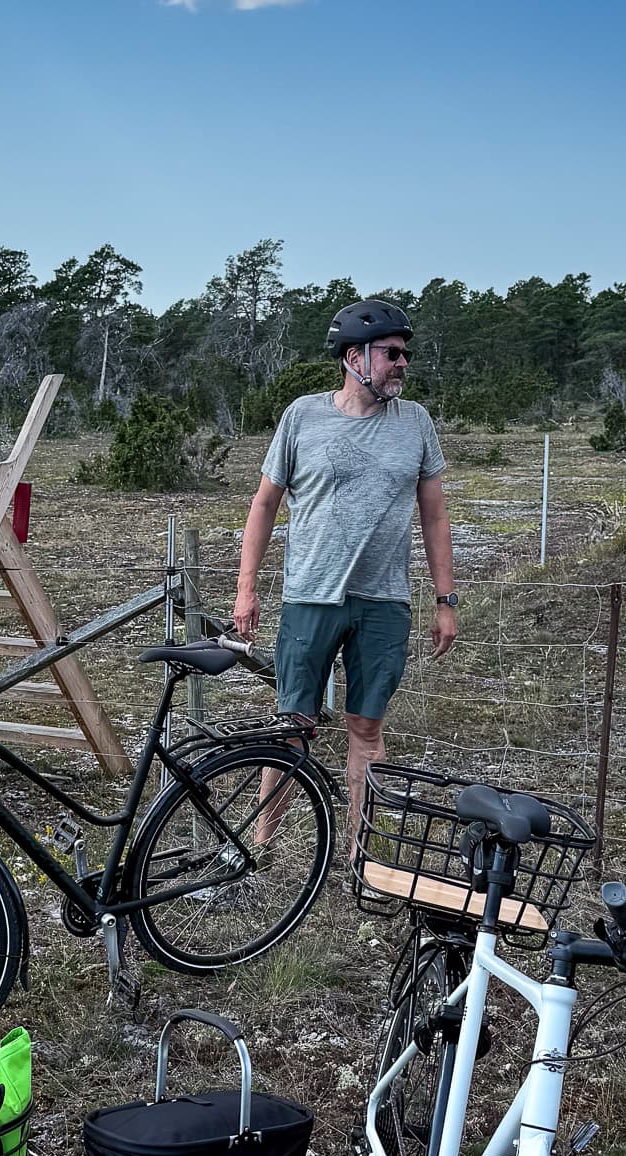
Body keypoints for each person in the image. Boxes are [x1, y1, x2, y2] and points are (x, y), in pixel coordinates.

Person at [233, 298, 458, 851]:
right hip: (311, 595)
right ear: (354, 357)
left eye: (406, 354)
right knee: (293, 727)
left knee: (366, 728)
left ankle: (358, 850)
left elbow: (434, 513)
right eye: (392, 353)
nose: (402, 364)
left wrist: (445, 599)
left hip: (384, 602)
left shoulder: (416, 424)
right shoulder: (303, 416)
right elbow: (264, 504)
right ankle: (259, 845)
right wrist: (247, 587)